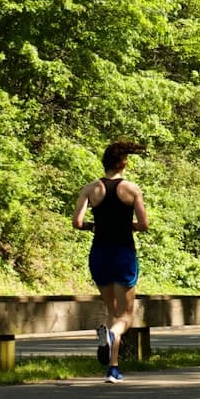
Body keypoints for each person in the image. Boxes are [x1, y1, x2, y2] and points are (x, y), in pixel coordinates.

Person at [72, 141, 149, 383]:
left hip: (99, 254)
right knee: (125, 317)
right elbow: (144, 225)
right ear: (123, 163)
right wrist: (131, 226)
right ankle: (112, 346)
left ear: (104, 162)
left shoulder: (90, 189)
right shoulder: (131, 189)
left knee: (112, 311)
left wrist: (92, 226)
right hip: (123, 254)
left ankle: (113, 367)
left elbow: (77, 222)